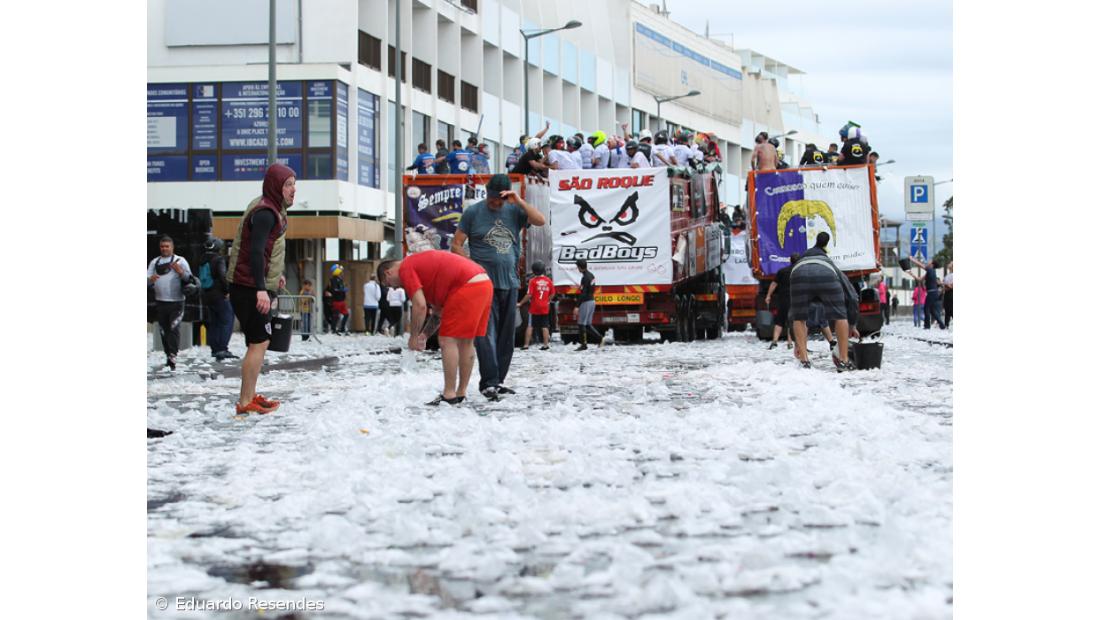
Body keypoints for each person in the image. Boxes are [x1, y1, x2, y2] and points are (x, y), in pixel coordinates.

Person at [452, 173, 547, 400]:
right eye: (493, 198)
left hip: (510, 282)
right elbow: (456, 245)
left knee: (506, 336)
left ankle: (499, 380)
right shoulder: (473, 213)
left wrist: (519, 200)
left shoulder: (514, 210)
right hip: (483, 284)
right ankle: (489, 382)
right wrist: (472, 267)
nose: (496, 203)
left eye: (500, 200)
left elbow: (540, 220)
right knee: (486, 334)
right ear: (487, 193)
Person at [377, 251, 493, 405]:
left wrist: (413, 337)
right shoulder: (425, 272)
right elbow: (438, 313)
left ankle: (449, 395)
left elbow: (420, 306)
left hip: (466, 285)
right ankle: (460, 393)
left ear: (388, 272)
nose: (393, 287)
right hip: (483, 283)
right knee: (466, 341)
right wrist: (424, 335)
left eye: (388, 284)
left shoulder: (406, 268)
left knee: (447, 340)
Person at [225, 163, 296, 414]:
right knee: (259, 341)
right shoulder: (266, 212)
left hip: (253, 283)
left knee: (259, 341)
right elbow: (255, 252)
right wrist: (260, 288)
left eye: (294, 184)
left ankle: (249, 395)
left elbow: (267, 252)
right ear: (276, 186)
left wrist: (275, 276)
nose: (293, 189)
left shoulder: (271, 207)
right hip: (248, 287)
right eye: (288, 184)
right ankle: (245, 402)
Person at [789, 232, 861, 371]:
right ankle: (844, 360)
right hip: (827, 276)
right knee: (840, 316)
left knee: (799, 317)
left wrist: (798, 344)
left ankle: (804, 360)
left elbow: (793, 314)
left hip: (798, 275)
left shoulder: (800, 262)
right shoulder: (829, 264)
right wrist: (852, 324)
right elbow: (852, 296)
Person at [147, 235, 193, 370]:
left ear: (172, 247)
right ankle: (168, 355)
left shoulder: (181, 260)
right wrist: (151, 280)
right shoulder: (154, 262)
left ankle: (173, 355)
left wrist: (180, 272)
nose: (164, 249)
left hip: (177, 302)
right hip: (160, 301)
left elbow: (190, 278)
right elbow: (146, 279)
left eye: (167, 246)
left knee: (174, 328)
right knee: (163, 330)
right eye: (162, 246)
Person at [197, 237, 236, 360]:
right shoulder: (218, 259)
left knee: (214, 323)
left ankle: (215, 349)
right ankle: (222, 349)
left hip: (206, 294)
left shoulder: (202, 259)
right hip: (219, 294)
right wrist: (228, 291)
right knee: (227, 320)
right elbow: (223, 276)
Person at [764, 253, 799, 350]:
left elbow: (774, 284)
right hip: (795, 299)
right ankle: (790, 342)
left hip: (783, 299)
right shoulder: (799, 271)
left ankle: (774, 341)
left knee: (780, 320)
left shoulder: (782, 271)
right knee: (792, 320)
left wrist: (768, 296)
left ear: (790, 260)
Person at [517, 261, 554, 350]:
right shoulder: (548, 281)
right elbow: (552, 293)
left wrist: (521, 303)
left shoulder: (532, 281)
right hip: (545, 307)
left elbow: (529, 295)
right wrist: (548, 300)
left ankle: (526, 345)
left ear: (533, 271)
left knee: (530, 326)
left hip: (534, 307)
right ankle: (545, 345)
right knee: (545, 326)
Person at [573, 258, 604, 351]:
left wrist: (577, 306)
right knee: (587, 324)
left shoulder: (584, 278)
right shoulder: (591, 275)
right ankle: (600, 339)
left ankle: (584, 344)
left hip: (586, 302)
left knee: (581, 324)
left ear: (579, 267)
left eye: (577, 267)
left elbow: (583, 293)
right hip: (592, 301)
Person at [908, 255, 946, 329]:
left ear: (932, 265)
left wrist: (912, 259)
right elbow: (919, 280)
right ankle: (942, 325)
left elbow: (921, 265)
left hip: (932, 293)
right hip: (934, 293)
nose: (928, 262)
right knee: (931, 310)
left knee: (926, 308)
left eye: (930, 261)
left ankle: (927, 326)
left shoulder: (930, 270)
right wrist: (911, 274)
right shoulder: (930, 272)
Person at [325, 264, 350, 335]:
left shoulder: (340, 280)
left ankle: (342, 328)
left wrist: (343, 289)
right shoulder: (333, 280)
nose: (342, 272)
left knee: (346, 314)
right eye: (341, 271)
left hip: (342, 300)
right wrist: (342, 290)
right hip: (336, 300)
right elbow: (334, 289)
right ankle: (333, 329)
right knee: (335, 315)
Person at [943, 262, 954, 327]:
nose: (948, 264)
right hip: (946, 293)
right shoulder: (948, 275)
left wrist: (946, 284)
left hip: (951, 293)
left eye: (950, 264)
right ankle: (946, 325)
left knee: (951, 309)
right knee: (947, 309)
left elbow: (952, 286)